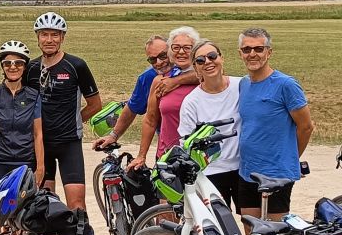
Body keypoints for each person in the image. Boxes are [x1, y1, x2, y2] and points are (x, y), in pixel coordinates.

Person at [236, 28, 314, 232]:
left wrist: (291, 157)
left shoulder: (285, 85)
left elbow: (306, 126)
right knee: (252, 234)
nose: (252, 54)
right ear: (240, 53)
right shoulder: (243, 84)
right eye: (247, 49)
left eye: (258, 48)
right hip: (247, 172)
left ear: (268, 52)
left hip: (275, 174)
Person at [24, 12, 102, 212]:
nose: (49, 40)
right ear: (38, 37)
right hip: (41, 145)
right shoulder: (31, 68)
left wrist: (74, 119)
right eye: (44, 35)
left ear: (62, 38)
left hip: (69, 143)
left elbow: (95, 105)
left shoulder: (76, 65)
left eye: (55, 35)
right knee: (44, 203)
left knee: (77, 205)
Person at [177, 40, 241, 211]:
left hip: (243, 167)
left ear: (222, 58)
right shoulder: (192, 101)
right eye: (200, 60)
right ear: (195, 68)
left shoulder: (241, 86)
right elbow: (186, 141)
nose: (208, 62)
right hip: (211, 171)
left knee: (252, 226)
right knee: (219, 227)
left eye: (212, 56)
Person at [130, 26, 201, 172]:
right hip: (168, 155)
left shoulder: (207, 76)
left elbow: (209, 75)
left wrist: (177, 81)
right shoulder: (160, 81)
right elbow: (150, 120)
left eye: (187, 48)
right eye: (175, 48)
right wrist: (141, 156)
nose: (181, 52)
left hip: (201, 157)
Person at [0, 40, 44, 196]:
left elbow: (38, 133)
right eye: (7, 63)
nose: (13, 66)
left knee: (23, 214)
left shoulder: (34, 96)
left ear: (24, 66)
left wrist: (40, 167)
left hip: (25, 161)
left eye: (18, 63)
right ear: (2, 66)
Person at [94, 35, 171, 149]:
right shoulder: (148, 77)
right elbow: (132, 108)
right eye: (152, 59)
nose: (159, 62)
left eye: (163, 56)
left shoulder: (191, 69)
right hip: (167, 144)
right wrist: (113, 135)